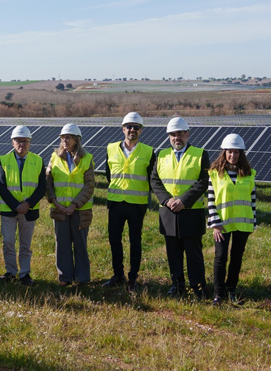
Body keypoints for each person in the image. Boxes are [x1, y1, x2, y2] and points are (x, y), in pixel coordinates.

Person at [150, 116, 211, 300]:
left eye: (180, 134)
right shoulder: (161, 155)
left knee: (194, 253)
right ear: (169, 136)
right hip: (168, 213)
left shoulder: (200, 154)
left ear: (187, 134)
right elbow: (155, 180)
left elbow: (203, 181)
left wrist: (184, 200)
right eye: (173, 134)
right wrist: (167, 200)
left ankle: (197, 287)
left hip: (191, 212)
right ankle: (177, 285)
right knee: (173, 253)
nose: (177, 137)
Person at [103, 112, 155, 290]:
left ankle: (133, 277)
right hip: (116, 202)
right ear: (123, 128)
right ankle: (118, 274)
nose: (132, 130)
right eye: (129, 127)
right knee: (114, 240)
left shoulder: (148, 151)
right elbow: (109, 174)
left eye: (136, 127)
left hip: (136, 204)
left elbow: (151, 177)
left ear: (141, 131)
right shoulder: (111, 148)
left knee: (135, 241)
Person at [207, 134, 257, 306]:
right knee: (220, 257)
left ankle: (231, 290)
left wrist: (253, 223)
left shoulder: (249, 174)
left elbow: (253, 200)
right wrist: (214, 223)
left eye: (236, 152)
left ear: (241, 154)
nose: (232, 156)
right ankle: (218, 294)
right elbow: (211, 200)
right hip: (222, 225)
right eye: (229, 152)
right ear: (224, 153)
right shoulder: (214, 174)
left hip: (243, 224)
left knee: (237, 257)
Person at [0, 126, 47, 286]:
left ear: (30, 143)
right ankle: (10, 272)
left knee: (25, 245)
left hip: (29, 211)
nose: (21, 144)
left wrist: (27, 204)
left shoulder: (38, 160)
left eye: (25, 141)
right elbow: (1, 186)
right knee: (8, 242)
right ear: (12, 142)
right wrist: (16, 205)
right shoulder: (3, 160)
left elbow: (41, 187)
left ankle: (25, 274)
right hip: (9, 210)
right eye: (18, 141)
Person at [46, 123, 95, 286]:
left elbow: (89, 185)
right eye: (62, 137)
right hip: (59, 209)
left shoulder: (87, 158)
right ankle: (65, 277)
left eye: (68, 137)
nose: (64, 140)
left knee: (80, 243)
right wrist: (54, 201)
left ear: (76, 139)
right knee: (62, 243)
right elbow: (48, 182)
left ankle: (82, 278)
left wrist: (74, 204)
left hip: (80, 210)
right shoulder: (54, 157)